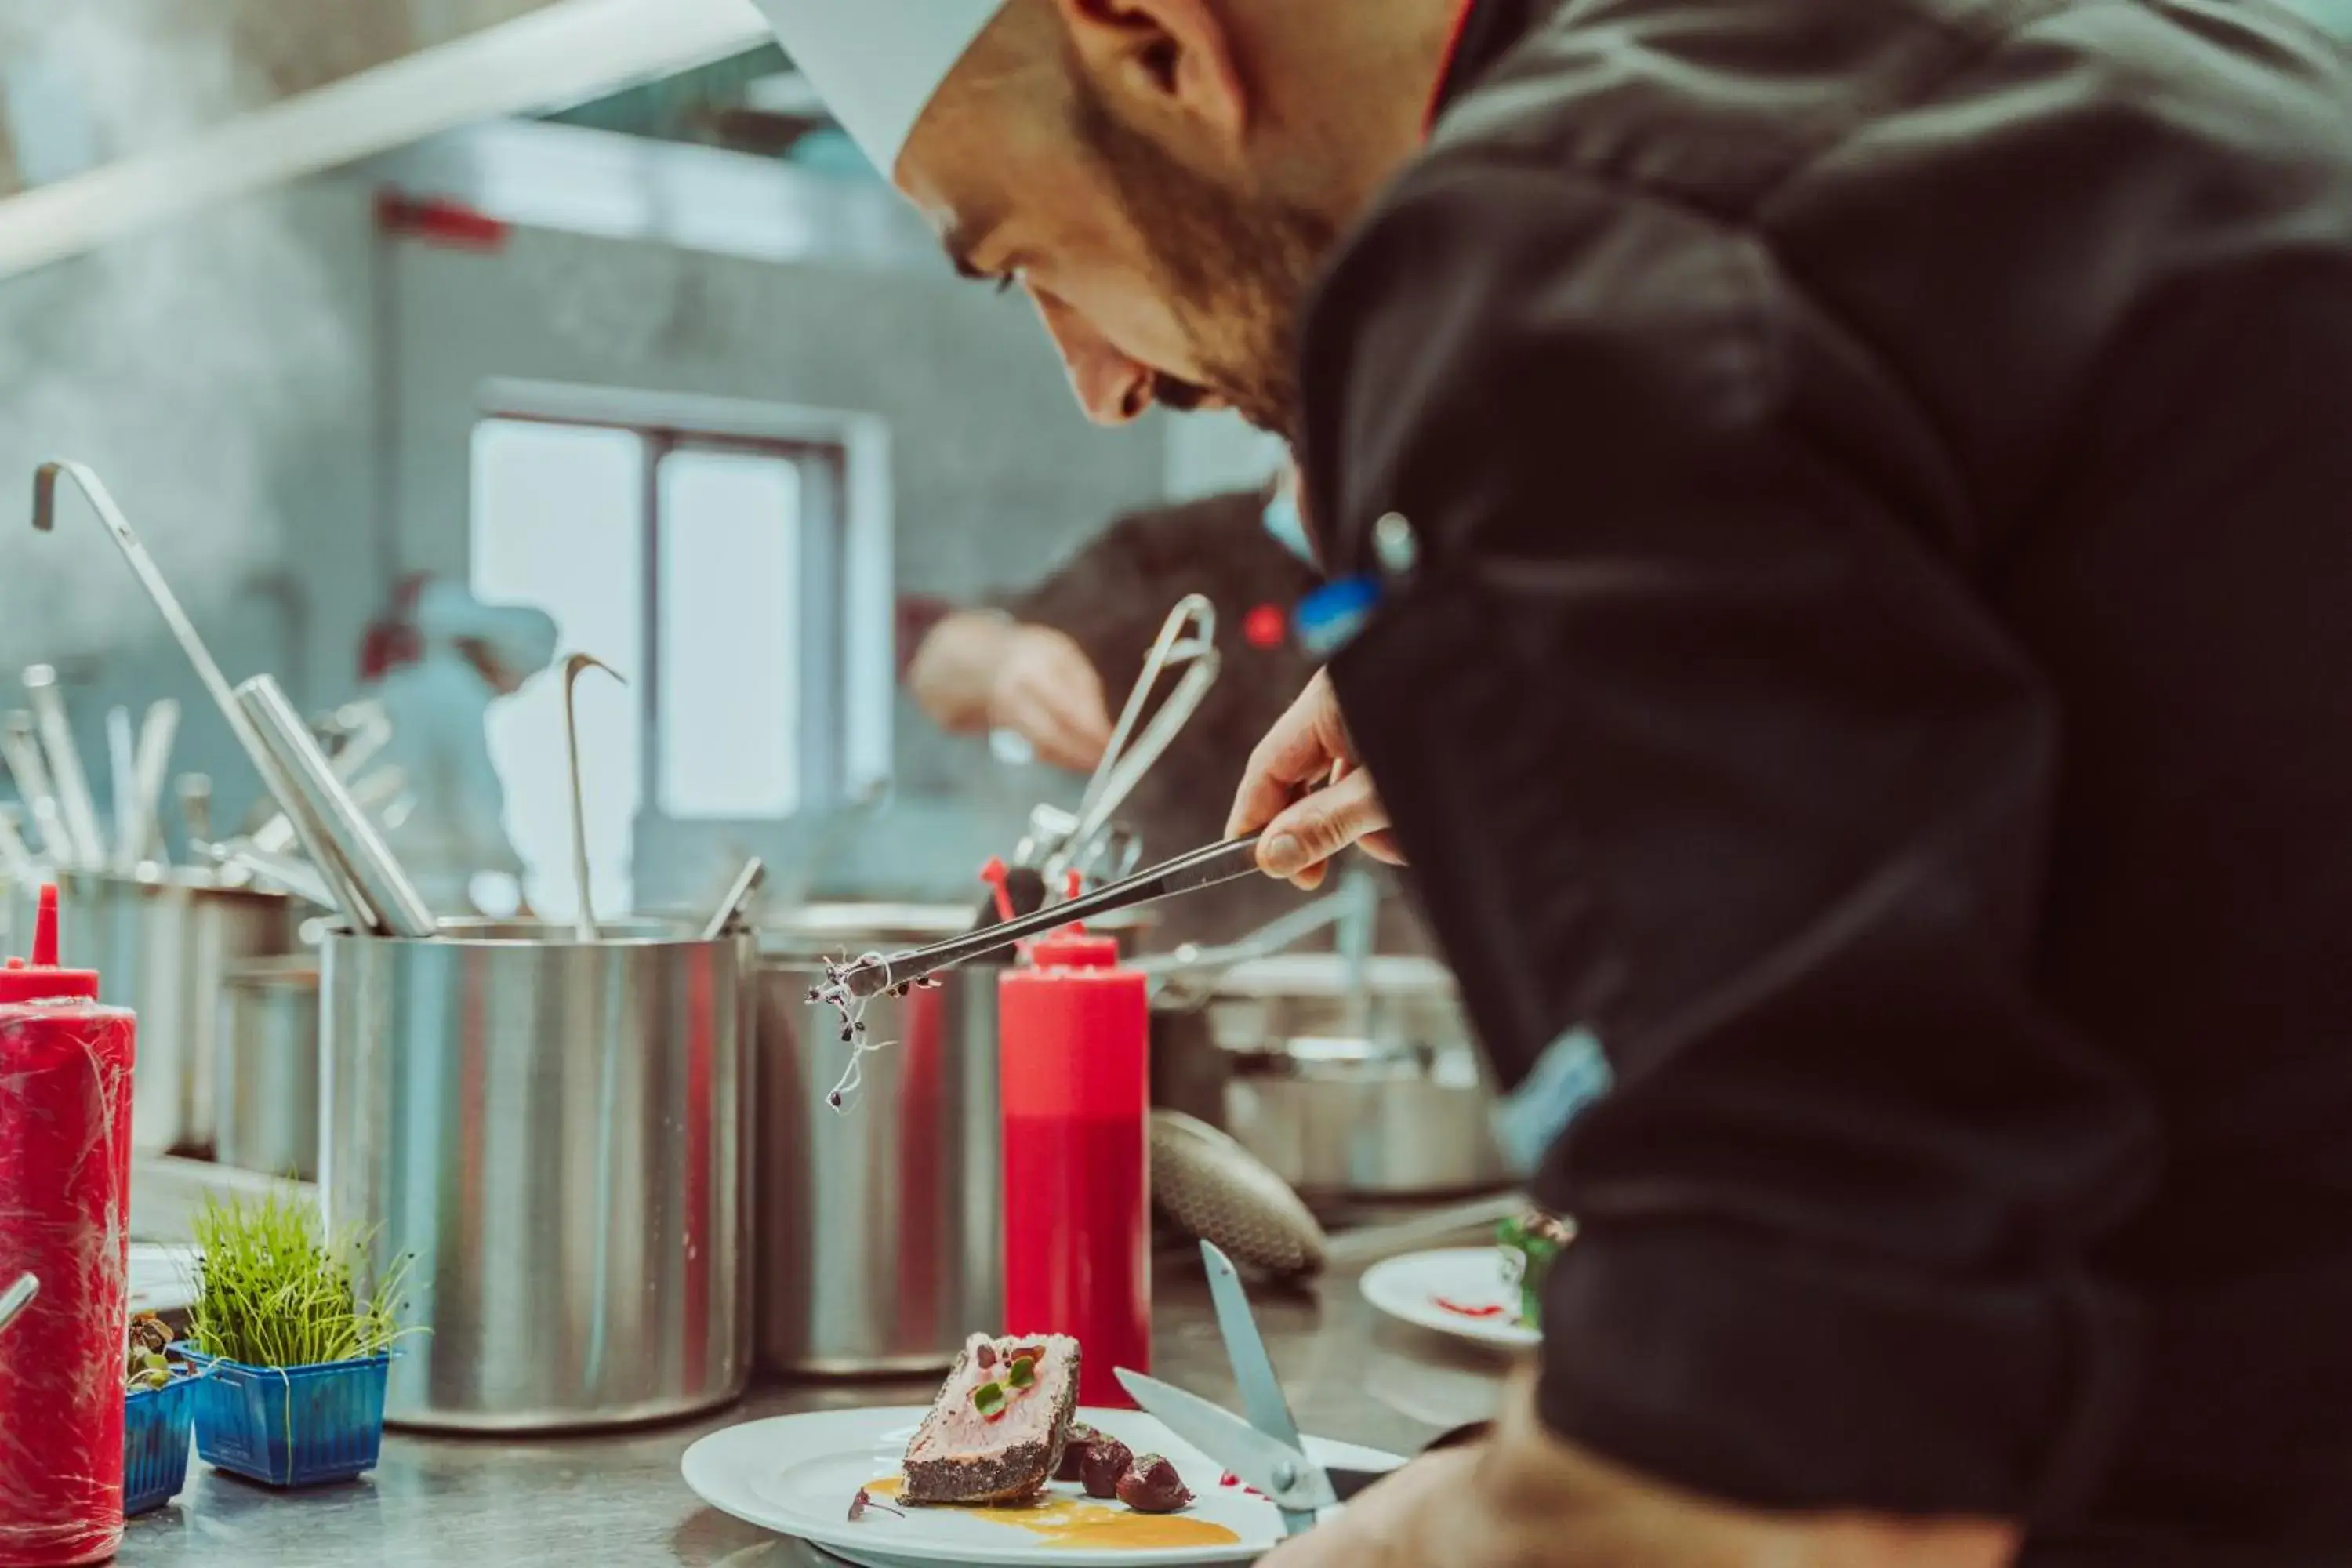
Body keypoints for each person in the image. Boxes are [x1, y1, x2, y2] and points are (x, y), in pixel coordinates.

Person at [752, 2, 2352, 1565]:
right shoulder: (2153, 63)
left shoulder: (1543, 253)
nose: (1095, 382)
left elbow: (1783, 1477)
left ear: (1157, 42)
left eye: (1018, 253)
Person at [904, 474, 1334, 943]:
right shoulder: (1182, 555)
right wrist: (998, 658)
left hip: (1406, 954)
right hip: (1197, 950)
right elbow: (939, 669)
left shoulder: (1417, 570)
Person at [362, 579, 558, 916]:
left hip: (375, 877)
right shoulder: (456, 699)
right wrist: (515, 874)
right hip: (421, 888)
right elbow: (475, 805)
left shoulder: (406, 687)